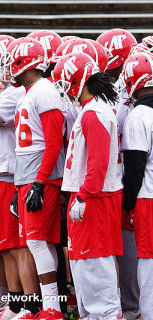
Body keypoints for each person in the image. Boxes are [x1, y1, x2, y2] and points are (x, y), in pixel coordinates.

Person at [53, 52, 123, 318]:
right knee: (84, 265)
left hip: (94, 198)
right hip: (91, 195)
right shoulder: (92, 110)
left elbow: (98, 161)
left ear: (76, 80)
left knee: (94, 265)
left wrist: (84, 196)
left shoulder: (95, 113)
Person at [0, 37, 65, 319]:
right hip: (29, 176)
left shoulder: (44, 91)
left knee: (38, 242)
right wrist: (22, 185)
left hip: (41, 177)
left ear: (24, 63)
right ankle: (49, 305)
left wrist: (39, 181)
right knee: (37, 242)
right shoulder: (30, 92)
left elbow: (53, 143)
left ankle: (52, 306)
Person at [0, 35, 38, 320]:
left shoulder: (14, 92)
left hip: (13, 174)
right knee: (4, 248)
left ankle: (28, 304)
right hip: (1, 175)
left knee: (16, 246)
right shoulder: (10, 93)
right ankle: (15, 304)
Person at [97, 29, 140, 319]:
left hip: (128, 174)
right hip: (121, 174)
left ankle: (132, 305)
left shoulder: (127, 97)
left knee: (128, 242)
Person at [120, 51, 153, 319]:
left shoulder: (138, 114)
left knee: (148, 260)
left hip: (148, 197)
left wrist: (126, 203)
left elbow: (134, 169)